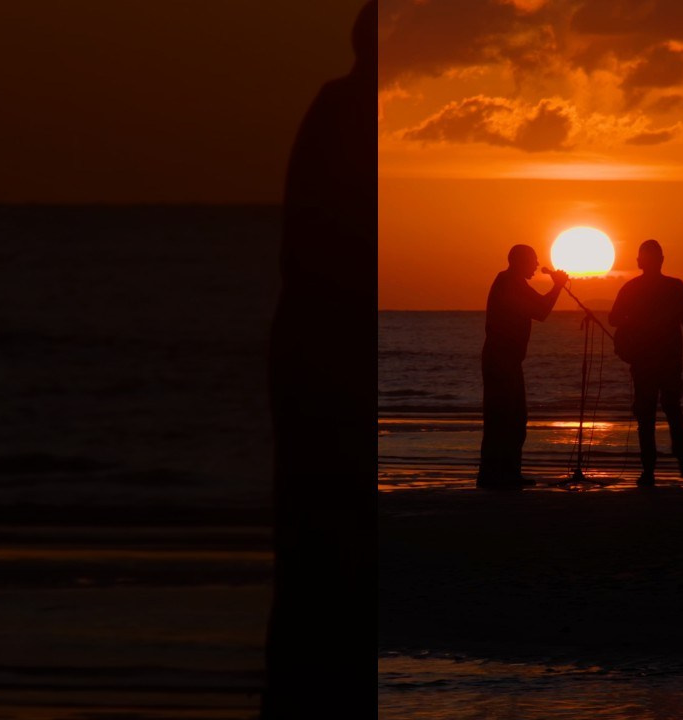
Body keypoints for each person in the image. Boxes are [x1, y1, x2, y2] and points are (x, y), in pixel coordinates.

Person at [262, 2, 372, 716]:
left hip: (317, 338)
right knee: (322, 520)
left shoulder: (338, 110)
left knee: (318, 520)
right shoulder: (345, 112)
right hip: (326, 341)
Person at [609, 239, 683, 487]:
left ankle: (649, 471)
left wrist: (633, 324)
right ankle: (682, 463)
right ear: (661, 260)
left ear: (640, 261)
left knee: (647, 416)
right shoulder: (675, 287)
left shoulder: (632, 288)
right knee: (671, 410)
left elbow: (614, 318)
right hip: (663, 361)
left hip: (649, 362)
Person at [478, 245, 567, 489]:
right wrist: (558, 286)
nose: (537, 265)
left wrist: (556, 287)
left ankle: (504, 473)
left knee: (512, 418)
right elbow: (541, 311)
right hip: (500, 360)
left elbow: (539, 307)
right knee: (505, 418)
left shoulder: (514, 282)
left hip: (507, 360)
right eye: (533, 260)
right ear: (520, 261)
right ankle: (496, 475)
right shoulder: (509, 282)